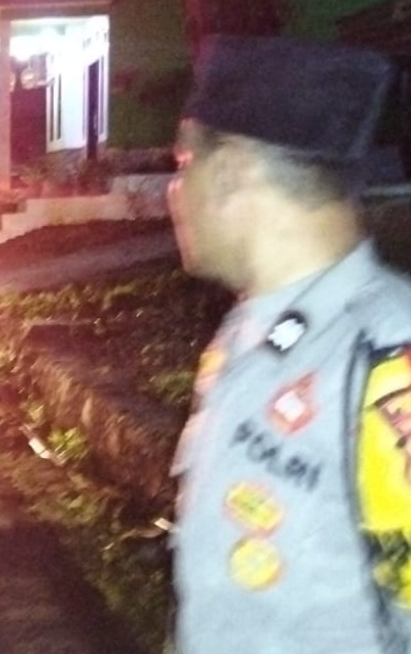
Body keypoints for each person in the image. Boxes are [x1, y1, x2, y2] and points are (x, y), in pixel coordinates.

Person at [167, 35, 411, 654]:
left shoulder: (390, 361)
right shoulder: (245, 334)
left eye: (183, 164)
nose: (173, 191)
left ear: (230, 173)